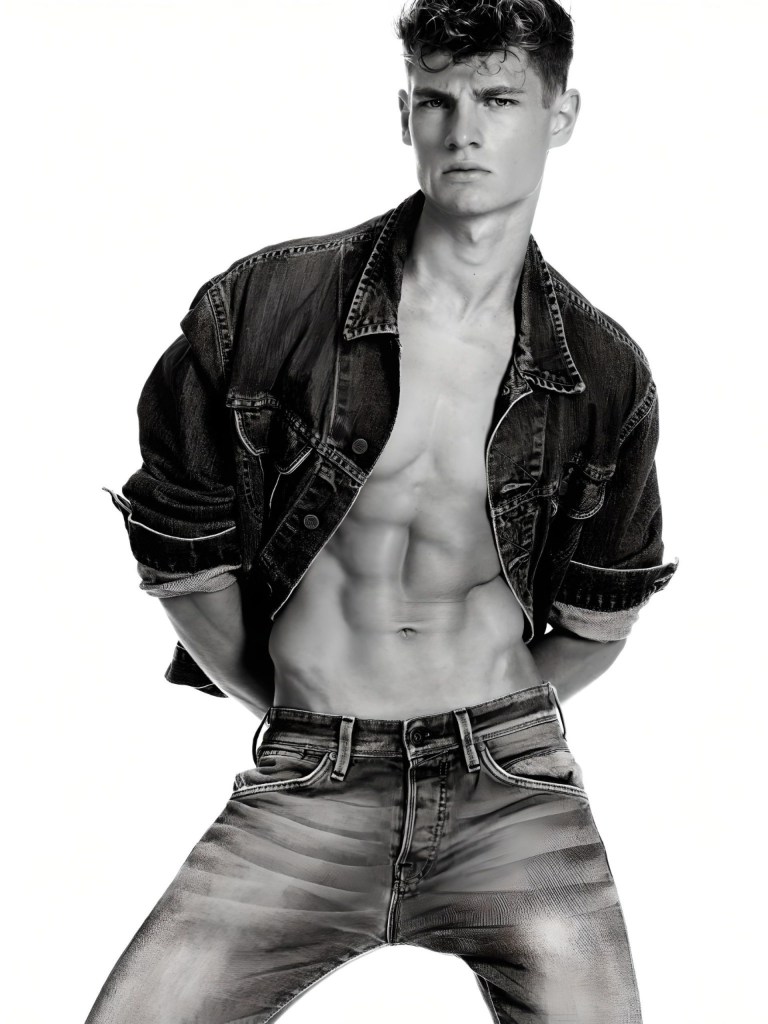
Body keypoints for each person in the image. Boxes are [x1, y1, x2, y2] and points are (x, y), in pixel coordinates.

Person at [89, 1, 677, 1021]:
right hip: (310, 781)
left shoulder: (602, 370)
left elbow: (600, 616)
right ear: (404, 114)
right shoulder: (264, 308)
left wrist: (487, 721)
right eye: (437, 100)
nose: (465, 131)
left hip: (510, 792)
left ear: (562, 114)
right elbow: (182, 548)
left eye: (500, 99)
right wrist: (300, 709)